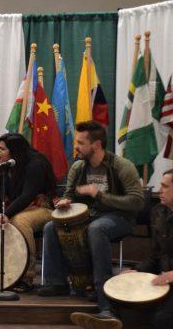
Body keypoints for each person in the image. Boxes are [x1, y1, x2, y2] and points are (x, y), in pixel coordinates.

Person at [38, 121, 144, 324]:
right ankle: (57, 282)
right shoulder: (78, 167)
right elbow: (68, 194)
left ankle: (105, 301)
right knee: (51, 226)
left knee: (96, 229)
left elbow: (138, 201)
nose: (75, 147)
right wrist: (64, 202)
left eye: (80, 143)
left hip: (119, 217)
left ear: (95, 145)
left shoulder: (121, 166)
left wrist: (99, 195)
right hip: (89, 217)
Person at [72, 168, 173, 329]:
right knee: (126, 302)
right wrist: (137, 270)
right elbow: (156, 255)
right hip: (164, 280)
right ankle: (107, 322)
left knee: (162, 319)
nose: (159, 190)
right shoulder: (159, 213)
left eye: (165, 186)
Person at [0, 133, 56, 291]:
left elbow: (28, 195)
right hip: (9, 207)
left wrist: (6, 214)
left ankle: (26, 276)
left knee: (19, 222)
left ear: (14, 151)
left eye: (2, 149)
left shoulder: (35, 164)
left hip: (39, 207)